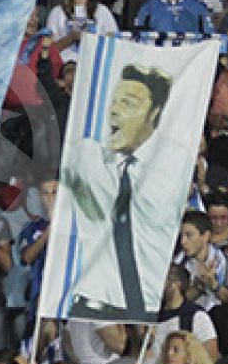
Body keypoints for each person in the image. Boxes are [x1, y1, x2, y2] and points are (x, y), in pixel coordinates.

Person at [58, 63, 185, 320]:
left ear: (154, 113)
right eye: (114, 102)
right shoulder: (88, 156)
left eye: (128, 104)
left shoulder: (176, 162)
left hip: (150, 305)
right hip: (92, 305)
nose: (114, 110)